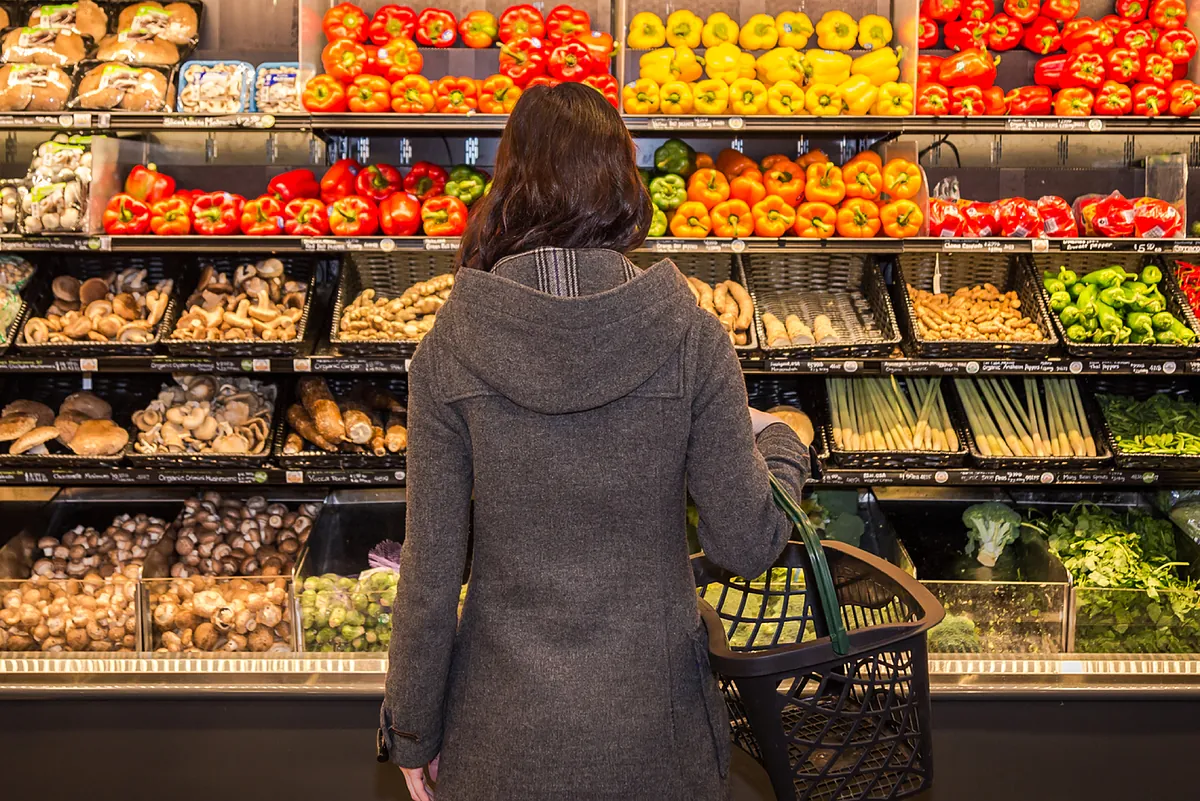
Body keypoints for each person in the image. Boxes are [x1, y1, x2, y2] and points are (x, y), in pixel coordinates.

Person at [381, 82, 811, 801]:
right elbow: (746, 541)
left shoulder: (448, 350)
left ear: (507, 182)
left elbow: (429, 574)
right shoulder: (693, 337)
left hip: (500, 742)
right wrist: (783, 449)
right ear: (624, 178)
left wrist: (414, 732)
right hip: (659, 740)